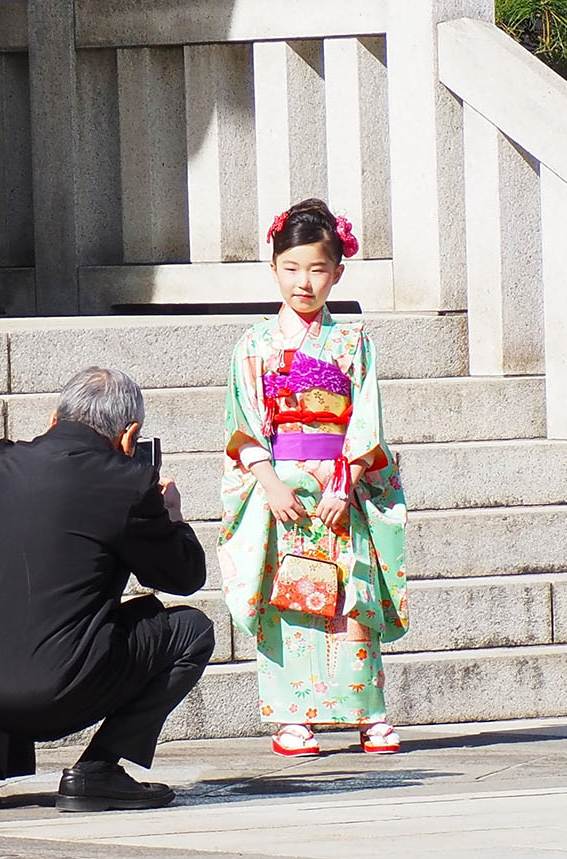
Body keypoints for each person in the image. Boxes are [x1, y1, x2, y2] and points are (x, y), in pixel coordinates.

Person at [0, 366, 212, 813]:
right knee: (192, 631)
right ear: (129, 435)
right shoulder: (128, 483)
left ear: (54, 419)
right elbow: (184, 578)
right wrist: (170, 514)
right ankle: (97, 771)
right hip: (53, 690)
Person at [219, 198, 408, 759]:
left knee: (352, 593)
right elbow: (242, 420)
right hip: (279, 485)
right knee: (290, 594)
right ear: (274, 267)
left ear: (337, 272)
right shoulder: (254, 344)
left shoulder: (354, 343)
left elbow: (366, 419)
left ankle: (367, 712)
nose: (305, 282)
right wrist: (268, 482)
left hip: (339, 485)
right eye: (293, 267)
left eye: (318, 268)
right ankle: (291, 716)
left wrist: (345, 480)